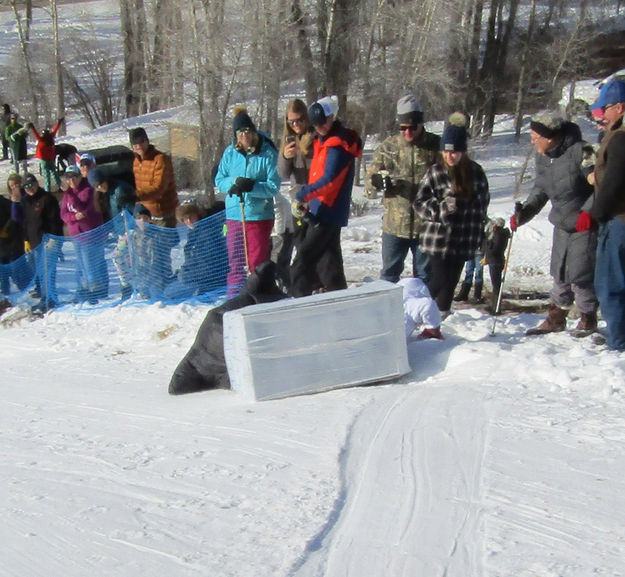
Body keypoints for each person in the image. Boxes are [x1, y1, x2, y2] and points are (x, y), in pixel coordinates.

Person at [511, 110, 598, 336]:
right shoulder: (544, 156)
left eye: (535, 137)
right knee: (559, 271)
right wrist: (524, 214)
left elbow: (602, 185)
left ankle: (588, 319)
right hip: (561, 222)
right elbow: (540, 190)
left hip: (584, 222)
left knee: (580, 272)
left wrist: (589, 212)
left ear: (549, 136)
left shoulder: (584, 151)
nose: (532, 141)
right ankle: (557, 317)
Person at [413, 112, 490, 316]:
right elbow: (419, 203)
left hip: (464, 238)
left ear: (463, 151)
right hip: (439, 238)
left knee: (451, 283)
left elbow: (483, 204)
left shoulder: (476, 172)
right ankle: (416, 313)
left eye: (455, 152)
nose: (450, 156)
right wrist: (441, 210)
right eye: (446, 152)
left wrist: (478, 223)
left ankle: (440, 319)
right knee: (438, 280)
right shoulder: (435, 172)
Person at [290, 95, 363, 297]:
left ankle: (297, 302)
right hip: (321, 209)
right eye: (316, 125)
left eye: (323, 123)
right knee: (329, 262)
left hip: (327, 211)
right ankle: (339, 299)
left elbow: (329, 180)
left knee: (303, 261)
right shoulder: (324, 141)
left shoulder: (337, 146)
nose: (320, 127)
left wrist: (304, 193)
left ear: (332, 117)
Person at [367, 94, 439, 284]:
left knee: (424, 278)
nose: (407, 132)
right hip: (394, 226)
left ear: (421, 123)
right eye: (403, 128)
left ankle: (423, 312)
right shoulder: (387, 148)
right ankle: (388, 313)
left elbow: (450, 181)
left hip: (426, 226)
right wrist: (376, 181)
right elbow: (369, 186)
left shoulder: (435, 147)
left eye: (412, 127)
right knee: (388, 277)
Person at [215, 107, 281, 294]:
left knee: (256, 262)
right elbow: (219, 179)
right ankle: (234, 297)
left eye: (247, 131)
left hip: (258, 215)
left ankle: (258, 297)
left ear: (253, 131)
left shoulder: (267, 153)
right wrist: (233, 184)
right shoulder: (230, 153)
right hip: (235, 213)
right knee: (235, 261)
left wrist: (252, 187)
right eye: (240, 132)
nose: (244, 135)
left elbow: (274, 186)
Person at [587, 79, 625, 350]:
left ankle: (618, 342)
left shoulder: (621, 139)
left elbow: (615, 181)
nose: (600, 115)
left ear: (620, 107)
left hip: (618, 219)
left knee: (610, 283)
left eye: (605, 109)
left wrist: (597, 212)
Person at [277, 98, 315, 291]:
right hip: (297, 202)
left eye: (299, 120)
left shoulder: (315, 136)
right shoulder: (288, 141)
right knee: (301, 248)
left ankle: (317, 285)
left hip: (317, 200)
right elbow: (282, 174)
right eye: (291, 122)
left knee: (318, 248)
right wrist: (285, 156)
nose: (296, 125)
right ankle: (303, 287)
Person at [60, 165, 108, 303]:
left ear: (80, 176)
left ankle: (94, 294)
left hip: (90, 235)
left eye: (74, 177)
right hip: (76, 235)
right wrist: (73, 218)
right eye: (68, 178)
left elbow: (82, 210)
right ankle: (85, 291)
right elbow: (64, 213)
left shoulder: (88, 190)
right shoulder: (67, 194)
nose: (71, 181)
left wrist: (69, 195)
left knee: (90, 266)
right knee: (81, 266)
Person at [163, 203, 227, 299]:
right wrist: (182, 271)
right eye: (185, 219)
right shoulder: (193, 233)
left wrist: (187, 276)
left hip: (209, 280)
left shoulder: (207, 233)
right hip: (194, 277)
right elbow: (191, 260)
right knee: (167, 290)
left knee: (171, 293)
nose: (189, 221)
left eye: (191, 217)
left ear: (198, 215)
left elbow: (208, 265)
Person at [20, 173, 64, 310]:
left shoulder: (47, 198)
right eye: (26, 186)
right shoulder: (26, 201)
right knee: (41, 272)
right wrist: (26, 239)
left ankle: (50, 299)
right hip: (35, 242)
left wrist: (53, 238)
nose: (29, 188)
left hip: (49, 241)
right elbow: (26, 222)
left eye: (31, 185)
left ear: (36, 183)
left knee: (48, 271)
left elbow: (56, 221)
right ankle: (45, 297)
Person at [129, 127, 179, 228]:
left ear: (147, 141)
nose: (139, 146)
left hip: (163, 213)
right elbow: (139, 187)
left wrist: (137, 196)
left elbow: (159, 188)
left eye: (141, 142)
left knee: (166, 243)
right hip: (146, 213)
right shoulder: (136, 161)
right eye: (135, 144)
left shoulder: (160, 159)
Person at [1, 175, 28, 295]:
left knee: (16, 267)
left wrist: (6, 229)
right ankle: (5, 291)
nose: (14, 188)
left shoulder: (5, 202)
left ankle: (26, 286)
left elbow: (14, 218)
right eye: (11, 186)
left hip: (12, 240)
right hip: (4, 244)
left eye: (16, 185)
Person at [87, 168, 137, 233]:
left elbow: (133, 212)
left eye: (100, 183)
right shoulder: (104, 194)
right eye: (96, 186)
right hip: (120, 231)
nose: (100, 187)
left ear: (105, 179)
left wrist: (130, 231)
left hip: (130, 230)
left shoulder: (119, 191)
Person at [29, 118, 64, 192]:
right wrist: (58, 123)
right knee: (55, 174)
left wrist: (33, 128)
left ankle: (48, 191)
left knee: (47, 177)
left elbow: (36, 135)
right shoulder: (51, 138)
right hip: (51, 159)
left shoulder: (41, 140)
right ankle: (61, 187)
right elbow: (55, 130)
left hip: (44, 161)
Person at [483, 217, 511, 313]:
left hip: (495, 261)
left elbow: (495, 249)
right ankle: (494, 305)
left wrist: (488, 245)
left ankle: (496, 307)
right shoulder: (500, 234)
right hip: (496, 260)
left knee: (496, 285)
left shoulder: (499, 235)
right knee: (496, 284)